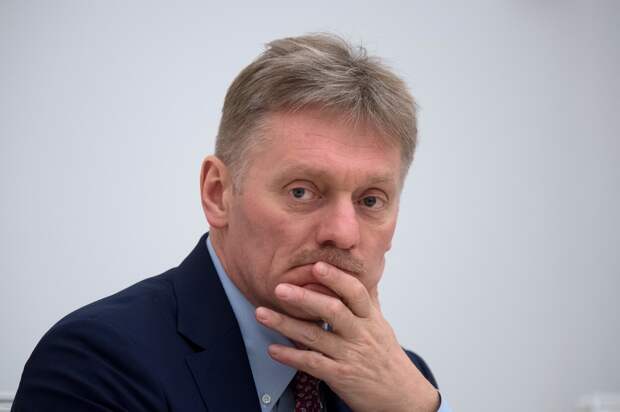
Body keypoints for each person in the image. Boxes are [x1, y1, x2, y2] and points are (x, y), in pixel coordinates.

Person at [12, 34, 451, 412]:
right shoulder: (96, 363)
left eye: (370, 200)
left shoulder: (403, 382)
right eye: (301, 192)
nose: (343, 233)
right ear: (218, 193)